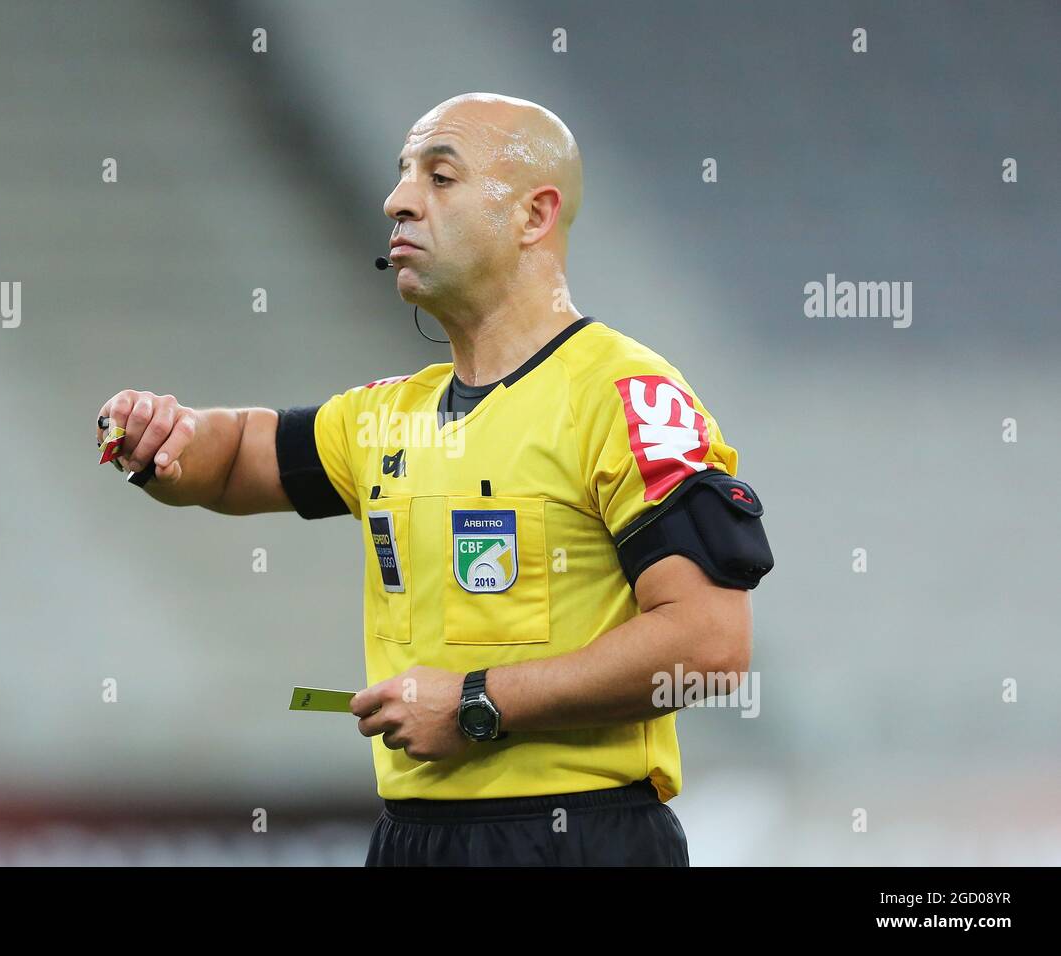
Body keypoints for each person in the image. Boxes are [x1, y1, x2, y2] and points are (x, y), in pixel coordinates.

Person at [94, 93, 773, 866]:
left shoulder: (626, 396)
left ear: (533, 215)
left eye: (440, 176)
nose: (397, 199)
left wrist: (480, 703)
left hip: (574, 837)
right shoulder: (388, 416)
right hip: (413, 838)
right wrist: (164, 437)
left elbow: (712, 645)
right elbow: (236, 456)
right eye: (403, 174)